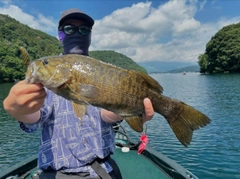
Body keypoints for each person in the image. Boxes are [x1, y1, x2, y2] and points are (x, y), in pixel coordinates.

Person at [3, 8, 154, 179]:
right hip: (59, 173)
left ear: (90, 35)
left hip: (104, 170)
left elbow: (105, 115)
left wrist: (128, 111)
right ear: (60, 34)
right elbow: (36, 116)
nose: (77, 33)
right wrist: (19, 111)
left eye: (84, 30)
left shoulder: (99, 70)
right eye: (69, 29)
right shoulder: (46, 81)